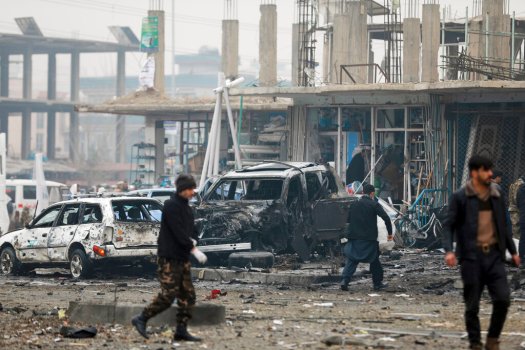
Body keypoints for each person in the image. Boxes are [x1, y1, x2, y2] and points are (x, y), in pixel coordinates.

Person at [443, 155, 520, 350]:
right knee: (472, 305)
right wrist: (449, 251)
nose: (490, 174)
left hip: (494, 257)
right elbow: (448, 226)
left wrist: (513, 251)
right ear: (474, 173)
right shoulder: (460, 197)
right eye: (485, 170)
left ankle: (492, 340)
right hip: (471, 258)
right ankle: (475, 343)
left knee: (503, 299)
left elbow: (502, 227)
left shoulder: (496, 196)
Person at [132, 174, 208, 342]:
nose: (192, 192)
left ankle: (181, 330)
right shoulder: (171, 206)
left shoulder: (187, 208)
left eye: (192, 189)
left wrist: (195, 239)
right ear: (182, 190)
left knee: (188, 295)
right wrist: (194, 249)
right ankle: (141, 318)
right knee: (168, 295)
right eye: (189, 189)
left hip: (182, 258)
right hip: (169, 258)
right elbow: (177, 232)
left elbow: (192, 228)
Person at [340, 184, 393, 291]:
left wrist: (345, 235)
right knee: (374, 260)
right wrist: (390, 234)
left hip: (354, 238)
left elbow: (348, 221)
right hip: (369, 239)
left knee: (352, 260)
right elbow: (386, 218)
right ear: (372, 193)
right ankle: (377, 283)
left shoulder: (354, 204)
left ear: (363, 192)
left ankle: (345, 280)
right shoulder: (374, 204)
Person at [508, 174, 525, 259]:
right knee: (517, 233)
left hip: (514, 209)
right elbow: (517, 198)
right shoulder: (521, 185)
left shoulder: (515, 184)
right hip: (517, 210)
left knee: (517, 232)